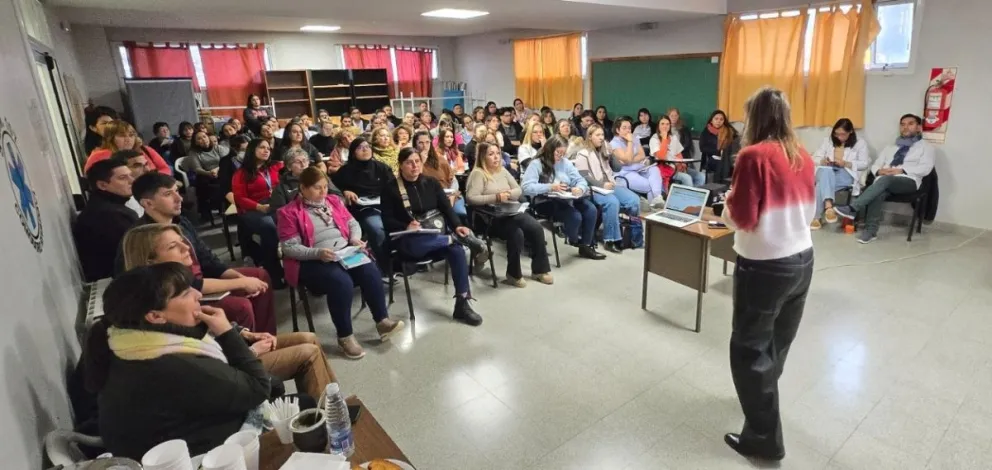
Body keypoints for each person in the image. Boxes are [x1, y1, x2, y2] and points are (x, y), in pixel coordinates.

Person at [83, 263, 271, 460]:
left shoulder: (124, 341)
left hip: (187, 436)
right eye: (185, 293)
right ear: (155, 316)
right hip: (205, 457)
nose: (198, 294)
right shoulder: (170, 364)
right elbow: (259, 388)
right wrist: (226, 332)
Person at [720, 87, 815, 463]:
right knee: (777, 342)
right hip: (802, 260)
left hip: (764, 265)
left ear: (755, 118)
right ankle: (761, 401)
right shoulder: (802, 154)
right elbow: (808, 212)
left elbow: (742, 218)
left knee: (749, 349)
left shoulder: (753, 155)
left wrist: (727, 204)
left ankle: (763, 438)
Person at [277, 167, 405, 358]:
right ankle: (345, 336)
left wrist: (354, 239)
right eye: (317, 188)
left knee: (370, 270)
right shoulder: (288, 212)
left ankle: (382, 322)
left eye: (325, 187)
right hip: (312, 259)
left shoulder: (334, 201)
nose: (323, 192)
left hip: (343, 251)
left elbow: (352, 223)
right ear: (302, 188)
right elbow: (289, 248)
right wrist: (317, 253)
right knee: (341, 282)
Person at [381, 148, 488, 325]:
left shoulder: (430, 183)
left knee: (457, 251)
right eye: (409, 162)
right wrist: (405, 226)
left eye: (417, 161)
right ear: (400, 165)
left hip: (435, 237)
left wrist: (457, 226)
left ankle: (462, 303)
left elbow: (446, 208)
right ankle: (453, 239)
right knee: (418, 243)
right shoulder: (390, 188)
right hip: (408, 240)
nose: (414, 166)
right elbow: (386, 219)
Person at [834, 114, 935, 243]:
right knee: (879, 191)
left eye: (910, 124)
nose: (905, 127)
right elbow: (876, 164)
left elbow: (926, 168)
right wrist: (879, 171)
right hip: (884, 181)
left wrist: (902, 170)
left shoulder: (926, 147)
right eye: (903, 124)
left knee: (887, 180)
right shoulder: (890, 147)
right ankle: (871, 231)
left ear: (919, 127)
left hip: (909, 181)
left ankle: (853, 208)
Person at [466, 142, 553, 286]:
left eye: (497, 153)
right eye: (491, 154)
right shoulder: (478, 174)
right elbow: (471, 198)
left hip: (509, 211)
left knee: (536, 228)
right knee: (516, 233)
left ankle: (540, 270)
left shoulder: (503, 171)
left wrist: (508, 194)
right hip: (489, 217)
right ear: (482, 157)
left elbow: (518, 190)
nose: (496, 157)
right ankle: (513, 274)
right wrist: (496, 197)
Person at [522, 136, 606, 260]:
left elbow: (580, 179)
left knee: (591, 209)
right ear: (549, 149)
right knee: (575, 216)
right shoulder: (537, 164)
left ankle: (586, 246)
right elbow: (526, 187)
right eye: (558, 152)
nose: (560, 156)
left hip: (567, 197)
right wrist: (550, 187)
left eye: (563, 153)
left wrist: (580, 188)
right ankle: (575, 239)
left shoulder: (565, 163)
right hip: (546, 201)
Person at [573, 124, 640, 253]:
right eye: (597, 135)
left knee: (634, 200)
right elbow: (584, 176)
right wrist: (601, 184)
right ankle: (611, 239)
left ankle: (632, 236)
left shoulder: (605, 151)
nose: (601, 138)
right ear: (590, 136)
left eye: (602, 135)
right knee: (612, 202)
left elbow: (617, 168)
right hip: (594, 189)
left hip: (611, 185)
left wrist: (611, 154)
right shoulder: (583, 154)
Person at [331, 137, 394, 272]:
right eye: (360, 148)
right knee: (377, 230)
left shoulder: (381, 167)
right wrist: (345, 191)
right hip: (363, 208)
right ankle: (385, 267)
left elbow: (393, 187)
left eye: (367, 147)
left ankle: (400, 262)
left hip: (384, 205)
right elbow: (333, 188)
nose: (365, 150)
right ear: (353, 152)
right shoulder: (345, 171)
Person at [232, 139, 285, 286]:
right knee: (269, 227)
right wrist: (259, 207)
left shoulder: (275, 167)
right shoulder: (241, 173)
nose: (266, 150)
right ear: (252, 150)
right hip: (252, 209)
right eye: (262, 147)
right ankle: (273, 272)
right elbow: (240, 198)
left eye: (268, 148)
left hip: (274, 204)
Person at [74, 159, 138, 281]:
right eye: (123, 178)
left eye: (131, 175)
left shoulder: (109, 208)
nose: (132, 181)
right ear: (102, 185)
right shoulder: (109, 216)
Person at [809, 118, 871, 230]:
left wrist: (846, 163)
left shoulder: (860, 143)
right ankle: (829, 207)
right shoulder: (828, 141)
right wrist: (822, 161)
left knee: (820, 185)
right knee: (826, 171)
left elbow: (864, 163)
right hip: (827, 169)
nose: (839, 137)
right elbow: (815, 157)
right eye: (836, 134)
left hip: (846, 172)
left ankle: (816, 218)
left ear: (850, 131)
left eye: (842, 134)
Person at [612, 117, 666, 206]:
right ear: (618, 130)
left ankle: (657, 199)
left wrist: (629, 161)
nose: (628, 130)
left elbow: (642, 155)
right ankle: (654, 207)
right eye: (624, 128)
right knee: (650, 185)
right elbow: (628, 159)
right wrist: (630, 142)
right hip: (625, 173)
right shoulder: (614, 143)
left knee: (655, 169)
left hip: (639, 168)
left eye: (629, 128)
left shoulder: (634, 138)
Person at [86, 120, 172, 174]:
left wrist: (153, 180)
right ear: (110, 138)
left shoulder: (145, 149)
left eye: (131, 135)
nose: (128, 139)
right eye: (122, 136)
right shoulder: (98, 156)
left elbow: (165, 169)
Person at [415, 130, 466, 219]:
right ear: (415, 145)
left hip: (448, 194)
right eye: (421, 143)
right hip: (426, 198)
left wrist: (452, 195)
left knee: (459, 214)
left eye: (427, 142)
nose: (424, 146)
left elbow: (453, 180)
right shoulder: (413, 162)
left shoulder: (440, 159)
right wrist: (421, 162)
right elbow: (415, 180)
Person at [271, 148, 342, 211]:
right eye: (298, 162)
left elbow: (340, 198)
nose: (303, 164)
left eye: (305, 160)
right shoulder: (282, 187)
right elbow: (279, 212)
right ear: (289, 167)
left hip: (328, 211)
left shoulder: (320, 177)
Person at [651, 115, 704, 188]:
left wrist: (681, 164)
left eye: (667, 124)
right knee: (686, 178)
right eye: (662, 124)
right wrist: (664, 139)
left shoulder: (673, 137)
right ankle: (688, 194)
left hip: (677, 167)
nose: (665, 126)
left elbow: (678, 153)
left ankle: (695, 194)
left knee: (701, 176)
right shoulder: (654, 139)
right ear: (658, 126)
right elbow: (661, 156)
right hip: (665, 169)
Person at [699, 109, 739, 176]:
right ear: (711, 120)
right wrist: (718, 152)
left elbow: (735, 146)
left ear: (724, 121)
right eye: (716, 119)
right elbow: (702, 148)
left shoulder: (730, 131)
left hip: (727, 158)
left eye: (721, 119)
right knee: (718, 164)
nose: (718, 121)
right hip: (712, 158)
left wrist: (725, 153)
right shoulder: (706, 132)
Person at [116, 149, 149, 216]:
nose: (147, 169)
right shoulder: (123, 198)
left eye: (146, 164)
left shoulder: (150, 190)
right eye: (137, 166)